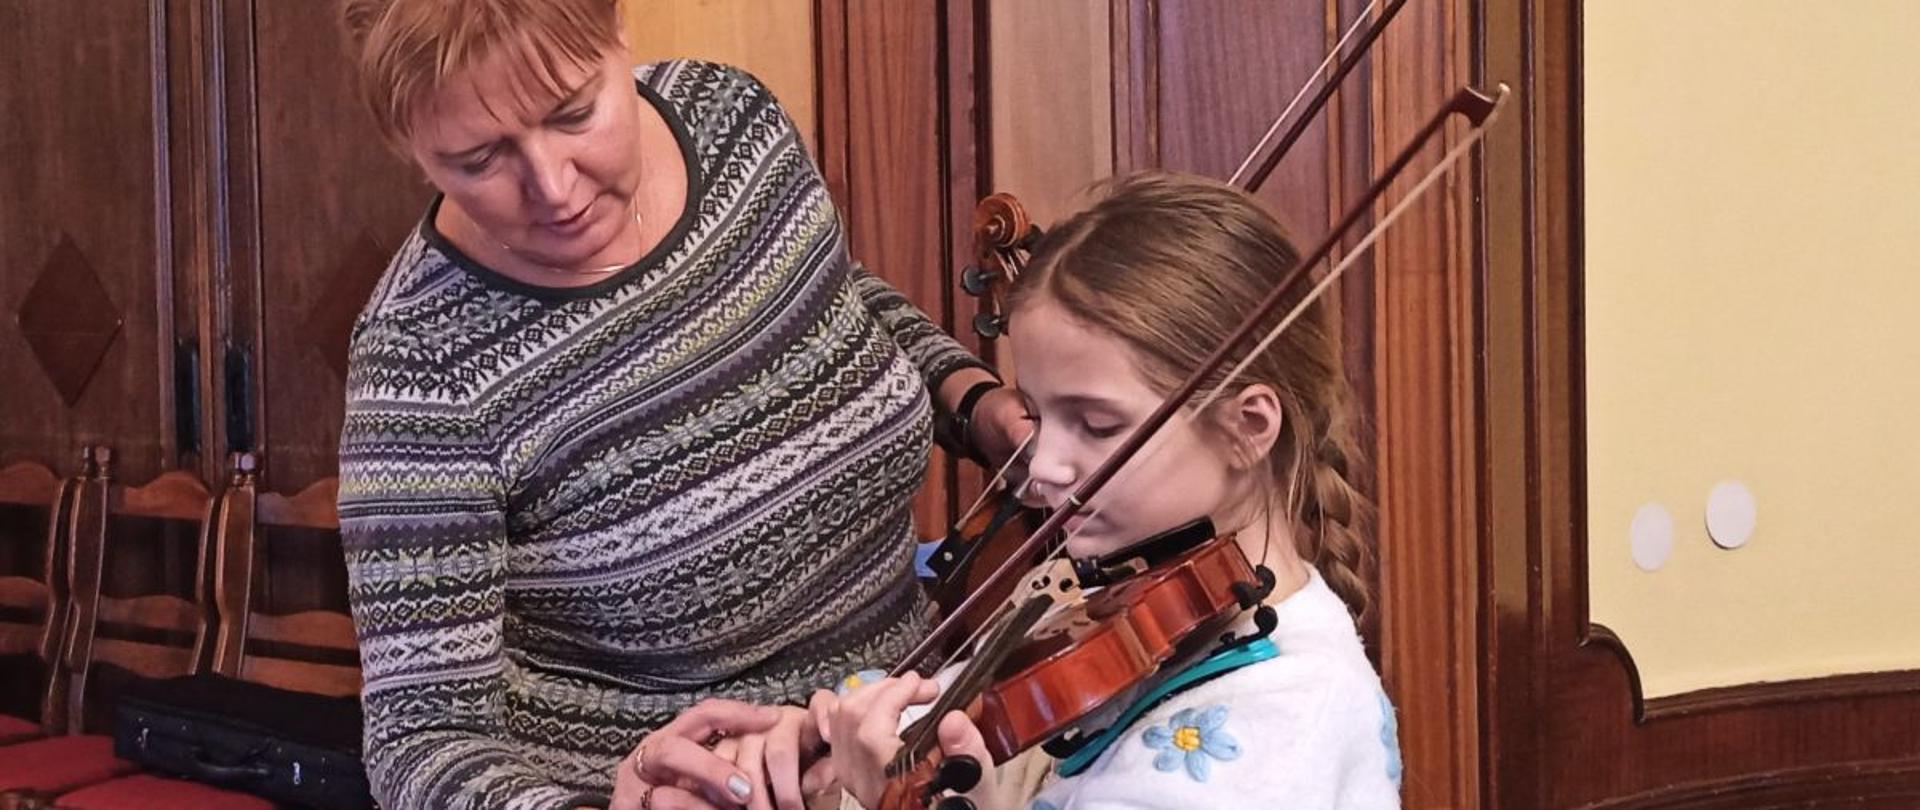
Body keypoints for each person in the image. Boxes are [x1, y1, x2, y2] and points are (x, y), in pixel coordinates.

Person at [332, 2, 1028, 808]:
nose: (554, 188)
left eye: (573, 113)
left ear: (618, 35)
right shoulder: (419, 364)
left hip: (911, 724)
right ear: (410, 149)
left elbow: (832, 298)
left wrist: (972, 402)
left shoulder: (732, 120)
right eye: (480, 158)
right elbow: (418, 741)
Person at [817, 172, 1403, 809]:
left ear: (1249, 427)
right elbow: (945, 720)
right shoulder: (1100, 595)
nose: (1044, 467)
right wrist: (824, 748)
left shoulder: (1281, 733)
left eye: (1097, 425)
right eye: (1036, 417)